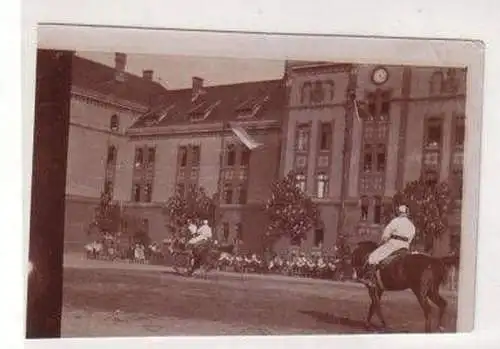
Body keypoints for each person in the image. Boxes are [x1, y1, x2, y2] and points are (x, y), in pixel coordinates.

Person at [361, 205, 416, 287]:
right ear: (407, 213)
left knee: (373, 257)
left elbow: (386, 235)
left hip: (394, 244)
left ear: (398, 212)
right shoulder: (411, 225)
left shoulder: (395, 221)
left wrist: (383, 241)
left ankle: (370, 278)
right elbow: (411, 237)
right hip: (405, 246)